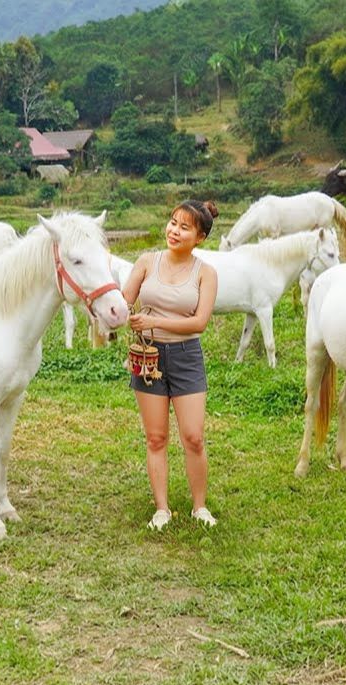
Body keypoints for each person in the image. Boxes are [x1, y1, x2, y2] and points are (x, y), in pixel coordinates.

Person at [123, 199, 221, 530]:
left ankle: (199, 507)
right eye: (173, 222)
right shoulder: (146, 262)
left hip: (186, 357)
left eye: (184, 227)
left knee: (193, 437)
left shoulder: (205, 273)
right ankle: (161, 509)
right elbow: (123, 301)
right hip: (147, 356)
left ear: (200, 237)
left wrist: (153, 322)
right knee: (156, 438)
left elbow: (199, 323)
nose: (174, 231)